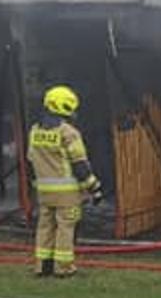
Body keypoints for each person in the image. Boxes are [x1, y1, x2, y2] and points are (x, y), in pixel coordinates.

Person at [27, 85, 105, 278]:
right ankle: (63, 268)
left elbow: (30, 160)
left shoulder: (35, 131)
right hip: (67, 194)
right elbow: (80, 165)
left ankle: (42, 266)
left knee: (45, 227)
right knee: (65, 228)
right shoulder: (68, 132)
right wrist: (95, 188)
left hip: (44, 192)